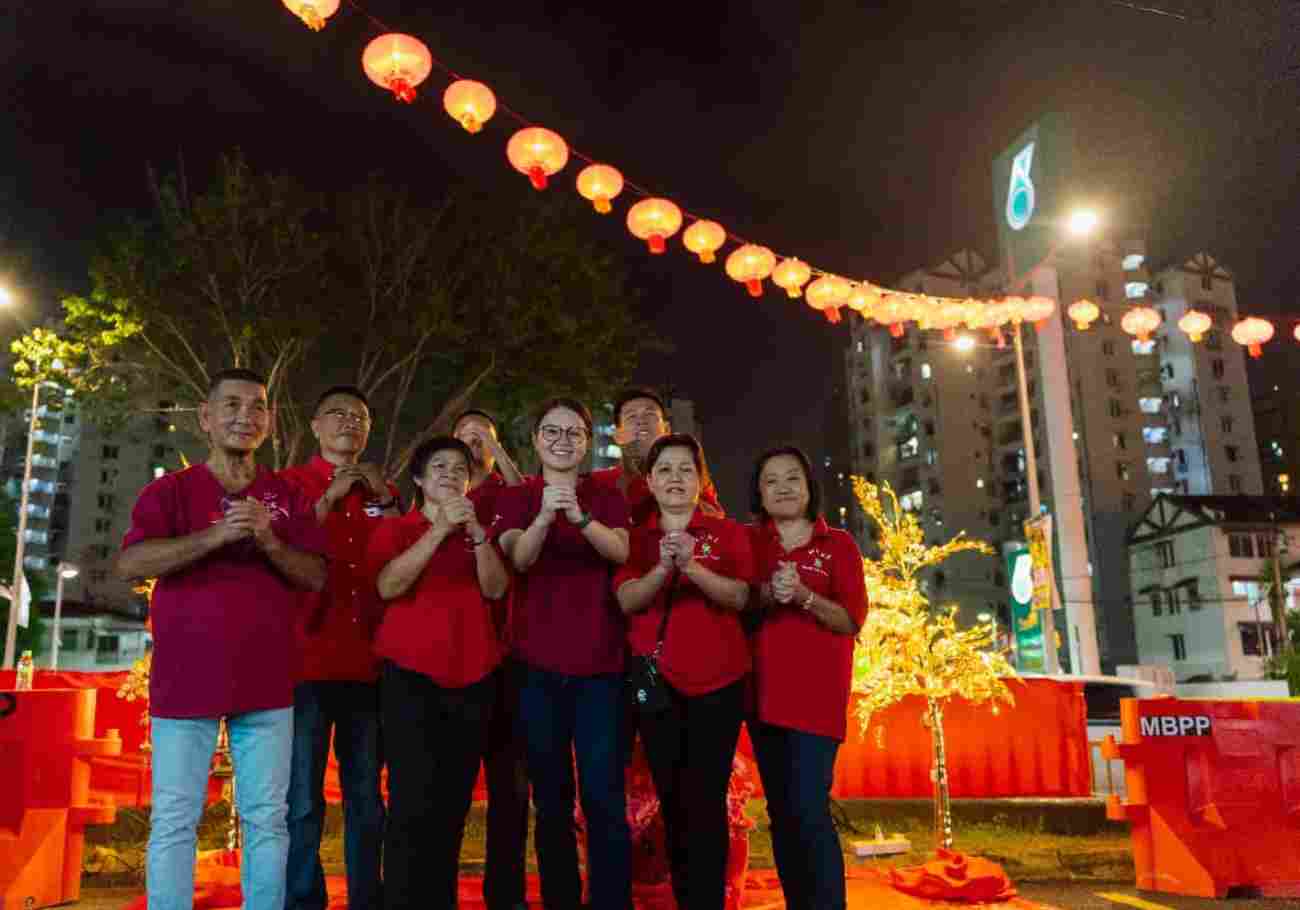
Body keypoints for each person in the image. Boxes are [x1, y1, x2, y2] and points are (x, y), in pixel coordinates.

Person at [116, 368, 328, 910]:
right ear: (206, 419)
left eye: (257, 407)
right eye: (230, 405)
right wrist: (215, 535)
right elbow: (131, 561)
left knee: (268, 821)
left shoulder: (285, 496)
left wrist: (268, 539)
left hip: (268, 682)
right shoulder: (171, 491)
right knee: (174, 819)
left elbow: (318, 577)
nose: (245, 415)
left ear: (270, 422)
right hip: (185, 683)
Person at [496, 398, 633, 910]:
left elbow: (620, 550)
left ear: (586, 441)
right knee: (550, 801)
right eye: (552, 432)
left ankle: (610, 901)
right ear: (535, 441)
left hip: (601, 668)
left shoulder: (605, 494)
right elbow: (518, 558)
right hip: (535, 670)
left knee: (603, 799)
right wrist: (544, 516)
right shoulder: (518, 496)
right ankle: (561, 899)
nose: (563, 441)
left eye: (574, 432)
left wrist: (578, 516)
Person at [366, 436, 511, 910]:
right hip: (411, 677)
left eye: (460, 469)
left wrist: (476, 535)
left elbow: (495, 589)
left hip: (474, 676)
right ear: (420, 479)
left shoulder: (478, 532)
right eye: (440, 467)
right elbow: (388, 585)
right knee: (411, 802)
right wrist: (436, 532)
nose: (451, 475)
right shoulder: (398, 529)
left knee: (453, 805)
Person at [614, 434, 753, 910]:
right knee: (671, 799)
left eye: (686, 470)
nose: (675, 478)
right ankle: (685, 896)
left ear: (700, 481)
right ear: (649, 481)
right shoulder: (634, 538)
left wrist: (692, 567)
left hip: (719, 681)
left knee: (707, 799)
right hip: (653, 681)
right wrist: (661, 570)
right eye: (666, 470)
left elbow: (740, 597)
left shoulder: (728, 533)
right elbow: (627, 599)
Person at [279, 386, 398, 910]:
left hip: (369, 663)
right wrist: (328, 497)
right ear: (315, 426)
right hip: (305, 660)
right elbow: (284, 548)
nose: (350, 423)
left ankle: (366, 897)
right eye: (339, 415)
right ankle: (304, 898)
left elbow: (399, 554)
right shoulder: (289, 485)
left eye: (360, 417)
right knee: (303, 798)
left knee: (367, 799)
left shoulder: (382, 489)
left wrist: (387, 500)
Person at [746, 446, 868, 910]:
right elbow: (737, 603)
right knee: (781, 814)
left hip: (816, 703)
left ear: (808, 486)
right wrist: (765, 595)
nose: (782, 487)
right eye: (771, 480)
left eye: (792, 478)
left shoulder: (838, 544)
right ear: (759, 492)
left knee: (809, 810)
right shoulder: (749, 542)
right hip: (761, 700)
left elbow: (851, 620)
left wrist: (802, 596)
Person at [452, 408, 528, 910]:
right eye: (466, 435)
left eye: (485, 435)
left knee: (510, 788)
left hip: (511, 656)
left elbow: (534, 500)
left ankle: (507, 895)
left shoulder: (508, 494)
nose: (475, 441)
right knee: (451, 784)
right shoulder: (440, 497)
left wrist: (501, 456)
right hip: (455, 655)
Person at [591, 388, 721, 525]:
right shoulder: (599, 483)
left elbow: (715, 521)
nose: (641, 421)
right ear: (618, 436)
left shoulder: (690, 473)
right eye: (631, 417)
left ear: (666, 429)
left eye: (650, 414)